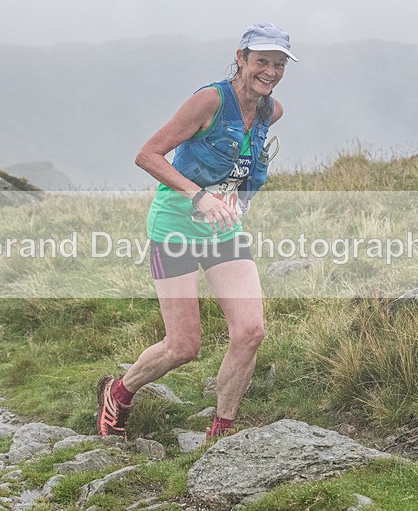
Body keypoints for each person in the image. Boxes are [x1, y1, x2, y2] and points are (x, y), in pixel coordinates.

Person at [96, 22, 297, 440]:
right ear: (241, 58)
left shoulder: (270, 111)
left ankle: (221, 431)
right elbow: (147, 155)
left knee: (250, 331)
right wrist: (197, 195)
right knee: (182, 347)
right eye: (262, 61)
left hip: (224, 230)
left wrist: (237, 202)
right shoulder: (209, 100)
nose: (271, 72)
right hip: (176, 225)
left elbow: (246, 165)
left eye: (279, 64)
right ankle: (119, 391)